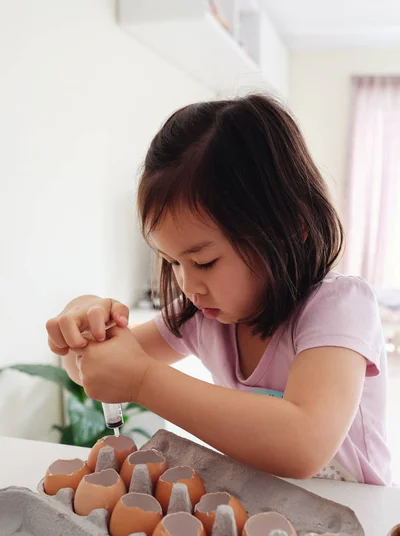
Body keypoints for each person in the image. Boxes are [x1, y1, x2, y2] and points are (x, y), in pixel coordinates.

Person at [46, 94, 391, 486]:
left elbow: (304, 444)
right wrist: (84, 330)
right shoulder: (201, 317)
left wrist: (143, 380)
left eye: (205, 261)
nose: (189, 285)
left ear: (290, 228)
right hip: (265, 512)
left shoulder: (339, 306)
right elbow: (90, 369)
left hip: (358, 519)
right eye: (172, 262)